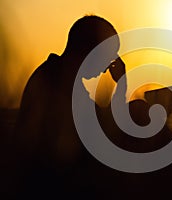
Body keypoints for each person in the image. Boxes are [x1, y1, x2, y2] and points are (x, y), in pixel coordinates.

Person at [13, 15, 126, 199]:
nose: (107, 68)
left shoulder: (58, 75)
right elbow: (105, 135)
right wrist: (122, 86)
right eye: (108, 55)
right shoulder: (60, 83)